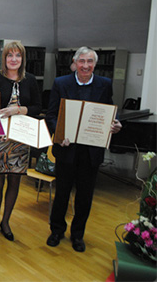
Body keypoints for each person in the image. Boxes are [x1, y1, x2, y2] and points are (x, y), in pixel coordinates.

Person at [45, 46, 121, 252]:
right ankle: (57, 230)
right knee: (61, 193)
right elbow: (51, 115)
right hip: (66, 149)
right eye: (82, 61)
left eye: (90, 62)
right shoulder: (61, 83)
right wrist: (59, 135)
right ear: (75, 63)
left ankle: (78, 235)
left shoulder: (105, 85)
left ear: (94, 64)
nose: (85, 66)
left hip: (91, 151)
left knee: (85, 196)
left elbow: (109, 112)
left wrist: (116, 124)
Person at [0, 41, 41, 241]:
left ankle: (6, 221)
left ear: (22, 59)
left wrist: (18, 110)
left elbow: (37, 108)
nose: (14, 59)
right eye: (10, 55)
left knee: (14, 180)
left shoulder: (31, 80)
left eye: (17, 56)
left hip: (20, 137)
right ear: (5, 58)